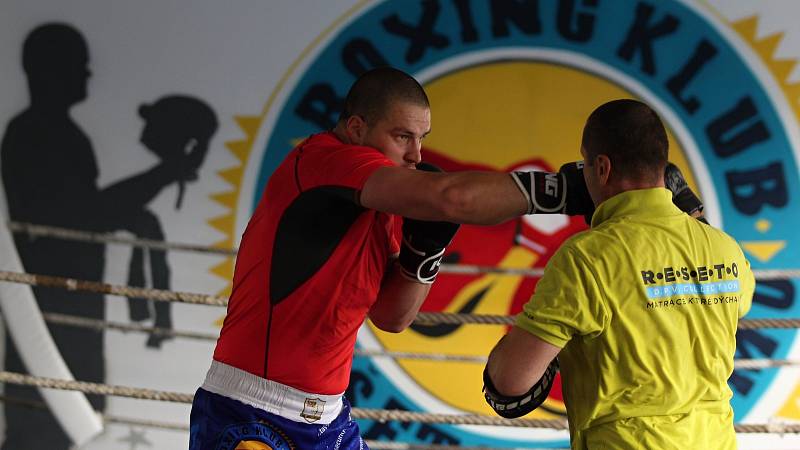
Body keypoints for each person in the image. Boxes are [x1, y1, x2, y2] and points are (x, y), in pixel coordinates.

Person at [188, 66, 596, 450]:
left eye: (422, 138)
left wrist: (426, 250)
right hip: (253, 410)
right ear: (356, 128)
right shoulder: (321, 160)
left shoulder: (379, 207)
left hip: (327, 417)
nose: (416, 155)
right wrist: (563, 190)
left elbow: (393, 316)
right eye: (403, 136)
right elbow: (452, 197)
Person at [483, 99, 755, 449]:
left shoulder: (587, 258)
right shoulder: (725, 248)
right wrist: (692, 215)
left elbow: (510, 383)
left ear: (602, 168)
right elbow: (737, 299)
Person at [0, 23, 200, 448]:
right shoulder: (36, 134)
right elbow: (79, 215)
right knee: (43, 424)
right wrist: (162, 174)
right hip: (51, 304)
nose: (88, 75)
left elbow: (84, 212)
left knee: (79, 417)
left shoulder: (58, 134)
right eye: (78, 67)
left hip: (71, 301)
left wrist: (148, 190)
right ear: (50, 71)